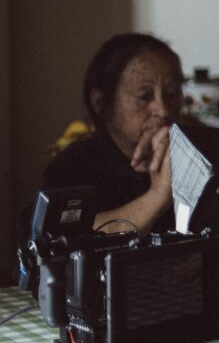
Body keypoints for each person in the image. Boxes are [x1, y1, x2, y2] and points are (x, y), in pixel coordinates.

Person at [40, 33, 182, 236]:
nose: (164, 110)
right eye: (144, 96)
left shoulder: (193, 155)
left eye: (172, 94)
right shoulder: (72, 167)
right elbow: (66, 240)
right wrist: (160, 193)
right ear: (100, 103)